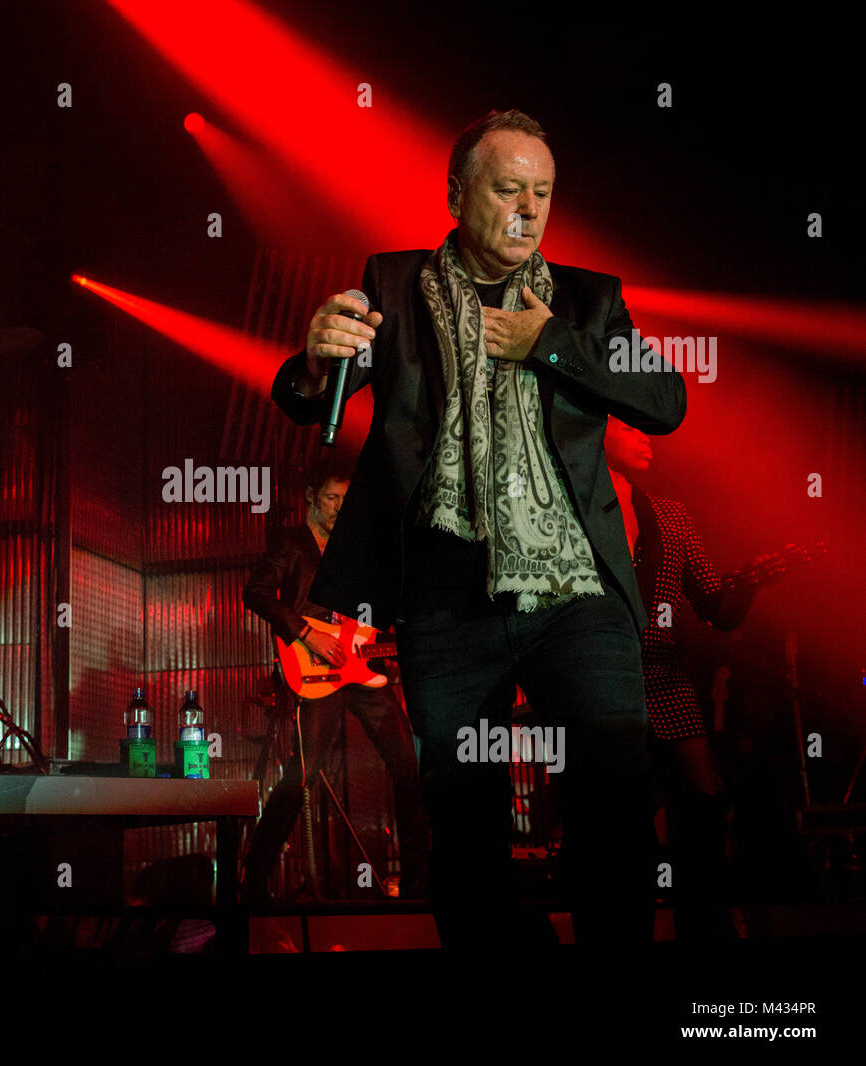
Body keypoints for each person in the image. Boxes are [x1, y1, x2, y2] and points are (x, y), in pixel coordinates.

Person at [270, 109, 687, 945]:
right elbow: (304, 395)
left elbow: (665, 401)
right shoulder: (392, 285)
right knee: (464, 817)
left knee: (612, 784)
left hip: (575, 589)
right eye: (507, 189)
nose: (528, 208)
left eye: (542, 192)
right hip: (444, 592)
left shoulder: (588, 299)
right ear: (459, 195)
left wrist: (552, 343)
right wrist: (318, 359)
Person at [241, 464, 429, 902]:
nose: (339, 509)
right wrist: (308, 634)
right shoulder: (290, 543)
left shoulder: (355, 548)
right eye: (331, 499)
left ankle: (422, 881)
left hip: (361, 666)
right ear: (310, 497)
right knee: (302, 775)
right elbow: (255, 592)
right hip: (312, 667)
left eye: (346, 501)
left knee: (407, 765)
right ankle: (252, 885)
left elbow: (368, 613)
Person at [604, 416, 757, 940]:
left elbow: (716, 604)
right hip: (601, 677)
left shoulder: (671, 515)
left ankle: (704, 919)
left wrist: (753, 582)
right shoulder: (567, 511)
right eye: (629, 427)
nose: (646, 437)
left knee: (702, 798)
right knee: (620, 816)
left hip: (665, 673)